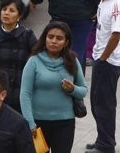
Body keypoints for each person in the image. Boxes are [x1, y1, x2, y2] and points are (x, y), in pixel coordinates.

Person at [20, 21, 88, 153]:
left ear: (66, 42)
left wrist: (72, 89)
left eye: (59, 38)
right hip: (38, 124)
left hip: (65, 123)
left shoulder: (72, 61)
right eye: (50, 37)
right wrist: (29, 122)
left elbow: (83, 90)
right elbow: (25, 94)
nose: (54, 41)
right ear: (44, 38)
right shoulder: (34, 61)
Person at [87, 0, 120, 153]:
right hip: (100, 59)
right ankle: (101, 138)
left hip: (108, 63)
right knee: (96, 104)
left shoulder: (117, 6)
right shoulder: (104, 2)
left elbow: (115, 36)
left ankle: (106, 145)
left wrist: (102, 58)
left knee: (104, 105)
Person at [0, 0, 37, 112]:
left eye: (12, 11)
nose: (6, 13)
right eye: (4, 9)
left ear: (19, 16)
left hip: (20, 94)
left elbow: (37, 63)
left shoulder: (28, 36)